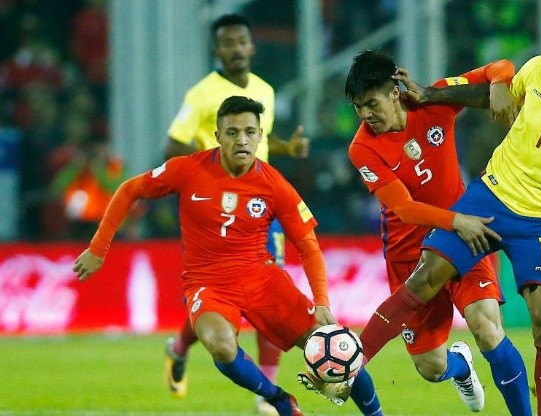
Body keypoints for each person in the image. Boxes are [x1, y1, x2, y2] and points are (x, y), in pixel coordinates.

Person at [355, 19, 541, 416]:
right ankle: (350, 365)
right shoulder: (538, 69)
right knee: (425, 277)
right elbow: (485, 92)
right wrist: (451, 91)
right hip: (491, 196)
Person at [72, 96, 383, 416]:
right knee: (221, 346)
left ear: (261, 136)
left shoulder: (274, 185)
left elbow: (308, 244)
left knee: (337, 347)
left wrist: (322, 303)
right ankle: (278, 399)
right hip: (207, 286)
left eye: (250, 132)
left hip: (262, 280)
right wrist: (98, 248)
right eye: (232, 133)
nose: (242, 140)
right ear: (218, 136)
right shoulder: (188, 169)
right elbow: (129, 190)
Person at [342, 50, 532, 415]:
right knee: (431, 367)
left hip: (463, 241)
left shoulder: (433, 101)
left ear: (394, 92)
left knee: (488, 329)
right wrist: (457, 219)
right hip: (410, 255)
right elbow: (404, 209)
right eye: (358, 107)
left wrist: (499, 87)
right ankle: (460, 368)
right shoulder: (362, 148)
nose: (365, 114)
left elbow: (500, 67)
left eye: (371, 103)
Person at [162, 14, 309, 414]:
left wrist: (285, 149)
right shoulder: (201, 95)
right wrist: (208, 175)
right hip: (214, 215)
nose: (236, 49)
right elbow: (172, 148)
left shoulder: (265, 90)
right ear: (217, 50)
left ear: (251, 45)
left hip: (262, 210)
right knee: (217, 303)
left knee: (269, 295)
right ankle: (178, 347)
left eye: (241, 41)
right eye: (227, 43)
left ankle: (267, 393)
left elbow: (255, 144)